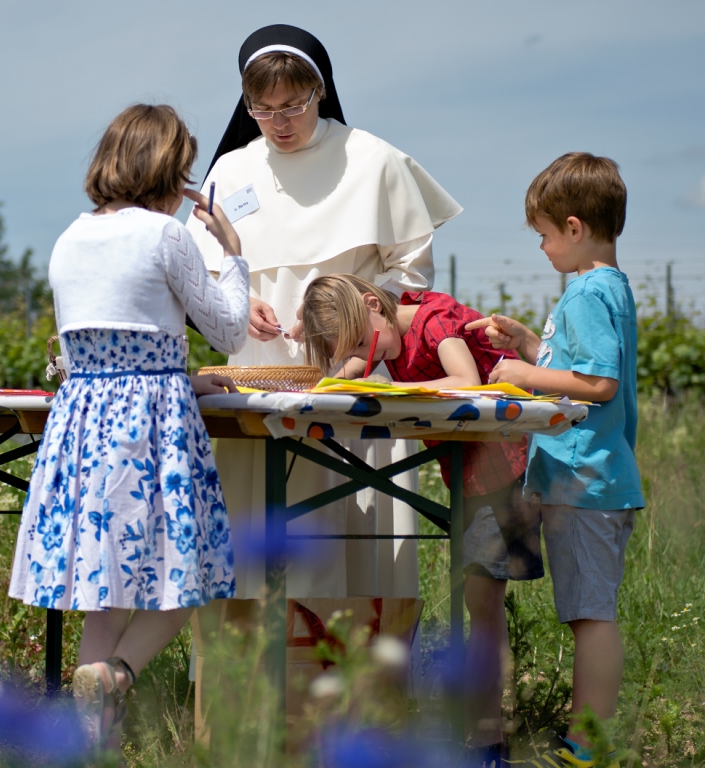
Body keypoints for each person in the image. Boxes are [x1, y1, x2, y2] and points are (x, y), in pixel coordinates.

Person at [185, 23, 463, 601]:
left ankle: (353, 680)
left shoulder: (374, 160)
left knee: (356, 525)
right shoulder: (232, 171)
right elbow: (197, 272)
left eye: (293, 105)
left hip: (355, 371)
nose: (279, 123)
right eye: (262, 110)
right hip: (259, 371)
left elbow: (412, 277)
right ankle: (250, 683)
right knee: (257, 525)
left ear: (321, 90)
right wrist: (237, 297)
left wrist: (343, 314)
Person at [7, 104, 250, 752]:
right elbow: (228, 329)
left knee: (102, 588)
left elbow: (106, 340)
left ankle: (91, 738)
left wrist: (177, 369)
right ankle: (115, 674)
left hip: (84, 418)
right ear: (170, 170)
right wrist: (233, 252)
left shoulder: (70, 236)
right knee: (189, 574)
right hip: (150, 426)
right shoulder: (164, 236)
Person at [302, 274, 543, 767]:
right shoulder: (384, 331)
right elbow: (348, 370)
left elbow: (465, 383)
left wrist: (387, 385)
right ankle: (481, 736)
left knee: (484, 607)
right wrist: (335, 370)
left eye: (362, 341)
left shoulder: (435, 319)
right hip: (473, 473)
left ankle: (489, 740)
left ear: (374, 305)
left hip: (504, 471)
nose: (365, 353)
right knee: (480, 605)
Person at [467, 152, 643, 768]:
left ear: (573, 228)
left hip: (587, 481)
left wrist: (521, 373)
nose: (541, 247)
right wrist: (528, 346)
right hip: (586, 478)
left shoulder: (589, 291)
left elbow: (598, 386)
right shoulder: (609, 288)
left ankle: (588, 746)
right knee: (584, 611)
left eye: (543, 234)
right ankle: (583, 739)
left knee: (591, 616)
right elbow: (582, 366)